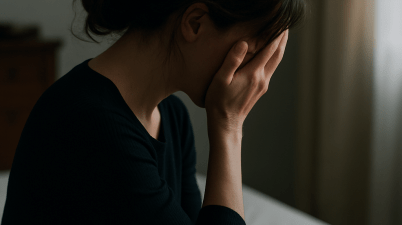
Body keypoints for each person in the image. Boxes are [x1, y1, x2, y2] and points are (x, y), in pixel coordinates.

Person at [1, 0, 306, 224]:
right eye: (253, 55)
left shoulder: (172, 118)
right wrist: (229, 127)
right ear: (195, 23)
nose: (256, 77)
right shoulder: (89, 122)